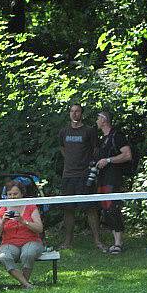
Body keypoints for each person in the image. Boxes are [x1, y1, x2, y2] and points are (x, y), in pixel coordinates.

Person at [58, 102, 102, 250]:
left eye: (77, 111)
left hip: (84, 175)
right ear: (69, 113)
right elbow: (62, 149)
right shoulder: (64, 131)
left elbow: (95, 150)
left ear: (81, 113)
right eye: (72, 111)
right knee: (68, 209)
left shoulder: (89, 131)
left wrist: (88, 164)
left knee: (90, 208)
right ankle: (67, 241)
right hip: (68, 175)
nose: (74, 113)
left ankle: (97, 241)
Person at [0, 180, 44, 288]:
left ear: (22, 194)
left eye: (15, 194)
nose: (13, 197)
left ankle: (25, 284)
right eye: (10, 194)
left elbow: (39, 229)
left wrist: (23, 221)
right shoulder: (3, 209)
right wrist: (2, 221)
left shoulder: (30, 207)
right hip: (9, 243)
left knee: (28, 254)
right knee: (4, 257)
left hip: (31, 241)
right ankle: (26, 284)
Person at [94, 109, 132, 254]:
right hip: (102, 178)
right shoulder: (103, 138)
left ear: (104, 120)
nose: (96, 122)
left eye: (98, 119)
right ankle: (115, 240)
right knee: (105, 207)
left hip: (113, 177)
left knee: (112, 207)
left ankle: (118, 242)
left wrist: (108, 160)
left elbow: (127, 155)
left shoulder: (117, 136)